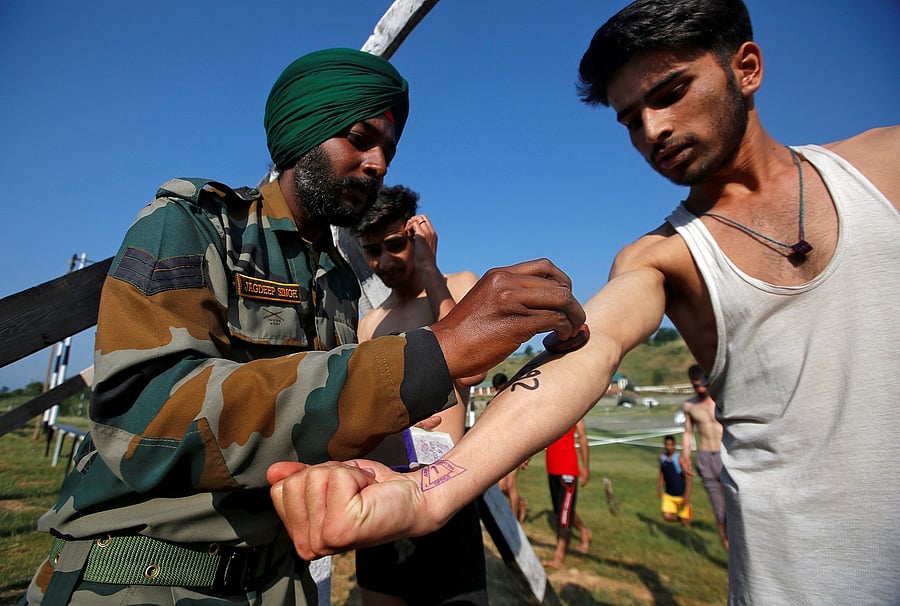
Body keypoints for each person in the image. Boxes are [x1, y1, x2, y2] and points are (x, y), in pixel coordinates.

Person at [267, 3, 899, 603]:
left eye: (670, 92)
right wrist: (429, 493)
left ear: (747, 68)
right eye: (630, 118)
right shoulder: (659, 258)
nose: (653, 129)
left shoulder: (882, 166)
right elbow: (584, 356)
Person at [21, 48, 586, 606]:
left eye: (387, 149)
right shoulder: (194, 226)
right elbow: (143, 421)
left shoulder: (339, 283)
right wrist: (436, 350)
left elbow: (335, 428)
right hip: (142, 579)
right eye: (360, 139)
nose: (379, 163)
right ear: (303, 137)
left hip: (281, 582)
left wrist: (514, 418)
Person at [350, 184, 488, 606]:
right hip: (384, 482)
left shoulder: (460, 285)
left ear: (416, 233)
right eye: (372, 250)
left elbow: (473, 367)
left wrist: (430, 267)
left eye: (395, 244)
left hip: (446, 484)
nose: (384, 261)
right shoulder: (371, 322)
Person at [681, 364, 727, 549]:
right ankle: (729, 549)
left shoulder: (721, 399)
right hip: (705, 458)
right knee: (720, 511)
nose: (700, 389)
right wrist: (685, 455)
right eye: (695, 386)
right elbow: (687, 432)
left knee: (737, 508)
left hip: (726, 456)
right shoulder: (690, 406)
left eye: (702, 385)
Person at [542, 418, 592, 568]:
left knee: (564, 515)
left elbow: (583, 439)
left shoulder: (575, 413)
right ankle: (584, 531)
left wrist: (585, 467)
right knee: (562, 510)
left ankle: (559, 557)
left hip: (568, 469)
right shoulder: (551, 413)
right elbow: (540, 438)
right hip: (552, 468)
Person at [492, 372, 529, 522]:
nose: (497, 391)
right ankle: (521, 503)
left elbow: (527, 428)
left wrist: (527, 455)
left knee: (511, 485)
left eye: (499, 388)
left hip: (518, 449)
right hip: (504, 450)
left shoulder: (516, 398)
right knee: (502, 487)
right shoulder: (498, 401)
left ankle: (513, 521)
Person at [658, 435, 691, 527]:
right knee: (666, 516)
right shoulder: (662, 457)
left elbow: (688, 478)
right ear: (664, 445)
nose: (669, 447)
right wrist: (659, 488)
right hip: (669, 495)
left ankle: (685, 519)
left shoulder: (679, 459)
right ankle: (680, 518)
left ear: (674, 445)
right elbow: (662, 473)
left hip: (681, 495)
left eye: (671, 445)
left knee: (686, 523)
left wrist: (686, 496)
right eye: (667, 445)